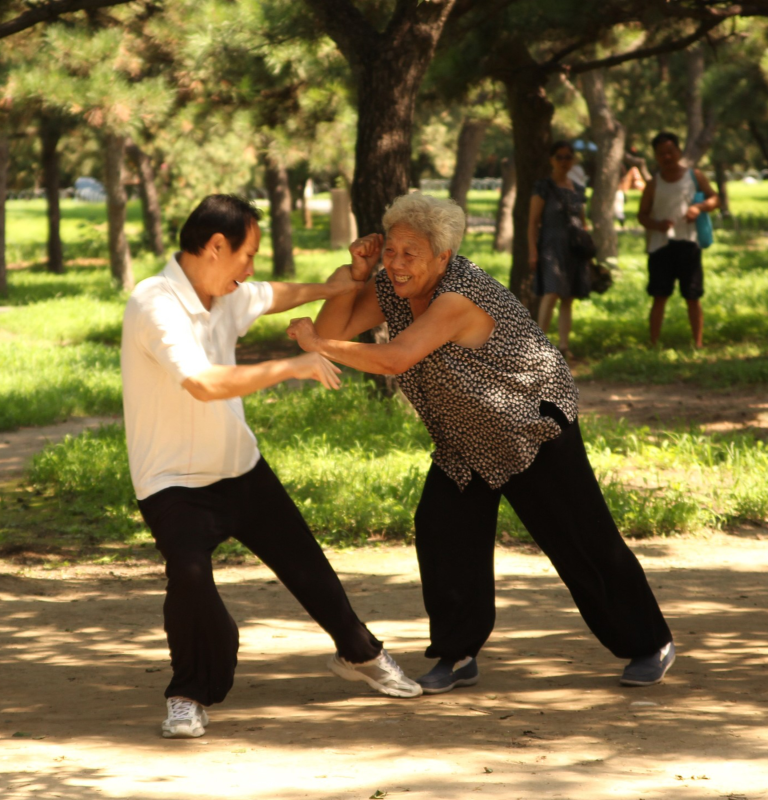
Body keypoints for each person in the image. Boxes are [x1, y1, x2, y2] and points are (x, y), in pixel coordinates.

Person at [287, 193, 675, 695]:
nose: (397, 264)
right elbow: (332, 328)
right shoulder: (389, 283)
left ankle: (650, 642)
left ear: (443, 257)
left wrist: (318, 347)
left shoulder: (458, 295)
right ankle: (458, 653)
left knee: (579, 537)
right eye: (391, 251)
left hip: (529, 423)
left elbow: (394, 358)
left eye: (412, 253)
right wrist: (356, 276)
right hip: (464, 432)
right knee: (443, 530)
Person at [121, 194, 421, 739]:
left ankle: (360, 654)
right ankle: (188, 694)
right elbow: (202, 383)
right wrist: (291, 367)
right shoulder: (155, 303)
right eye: (248, 254)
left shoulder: (224, 293)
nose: (251, 269)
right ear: (215, 247)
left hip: (239, 466)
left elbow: (278, 294)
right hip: (173, 484)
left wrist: (343, 282)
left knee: (306, 565)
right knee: (189, 581)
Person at [638, 131, 719, 348]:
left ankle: (698, 343)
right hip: (661, 246)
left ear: (679, 151)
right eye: (661, 153)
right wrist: (657, 225)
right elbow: (642, 215)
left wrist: (699, 208)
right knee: (659, 295)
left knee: (693, 296)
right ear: (655, 156)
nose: (666, 157)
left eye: (670, 151)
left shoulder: (695, 176)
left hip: (689, 244)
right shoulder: (653, 183)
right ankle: (653, 343)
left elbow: (714, 198)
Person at [528, 141, 591, 359]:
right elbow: (533, 222)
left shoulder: (578, 189)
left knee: (568, 297)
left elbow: (583, 221)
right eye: (559, 157)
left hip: (574, 250)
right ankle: (537, 344)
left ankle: (564, 345)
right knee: (552, 292)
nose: (564, 161)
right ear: (552, 160)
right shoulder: (543, 187)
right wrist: (532, 251)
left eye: (568, 157)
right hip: (550, 247)